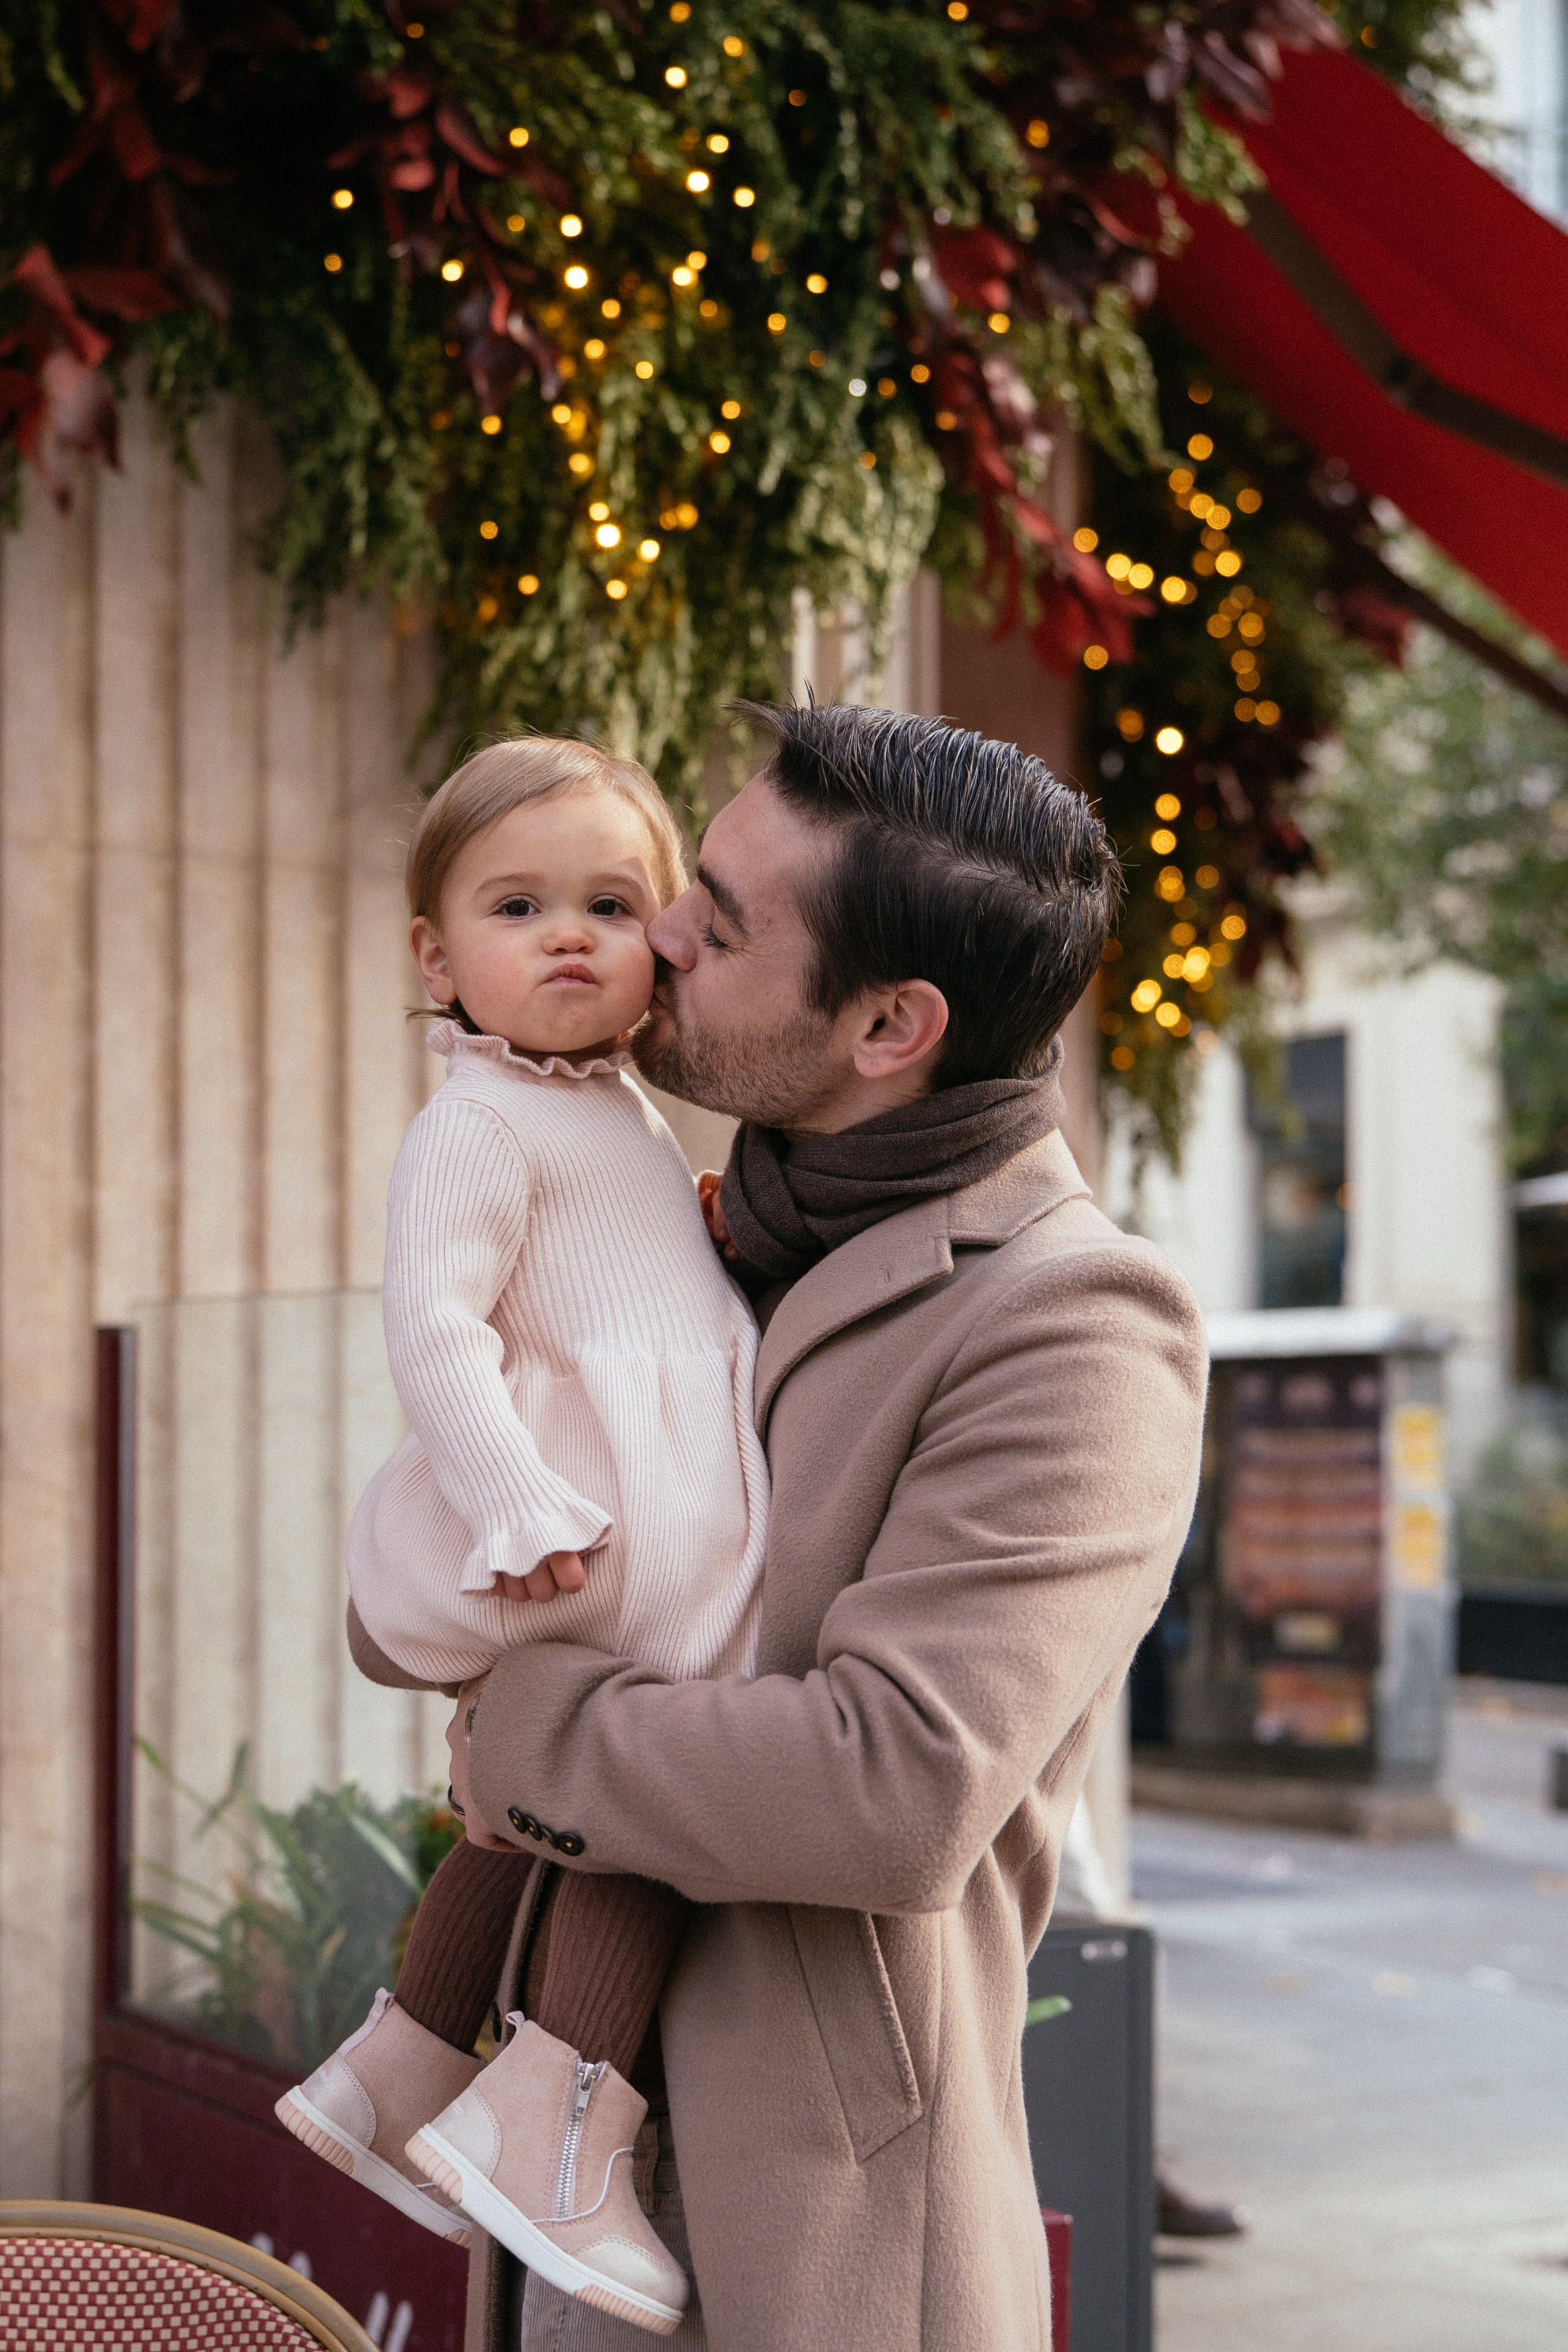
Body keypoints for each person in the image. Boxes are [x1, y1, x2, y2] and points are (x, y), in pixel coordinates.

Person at [353, 701, 1209, 2352]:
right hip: (553, 2141)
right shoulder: (694, 1219)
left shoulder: (1078, 1323)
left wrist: (521, 1731)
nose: (653, 927)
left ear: (890, 1025)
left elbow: (892, 1785)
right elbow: (418, 1598)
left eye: (719, 919)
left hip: (812, 2230)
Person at [277, 737, 771, 2337]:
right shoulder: (479, 1121)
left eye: (612, 904)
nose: (569, 934)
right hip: (577, 1532)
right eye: (518, 905)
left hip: (638, 1519)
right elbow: (433, 1330)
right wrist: (514, 1500)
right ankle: (559, 2135)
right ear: (436, 955)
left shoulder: (616, 1108)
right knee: (653, 1804)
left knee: (527, 1815)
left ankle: (398, 2065)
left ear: (665, 940)